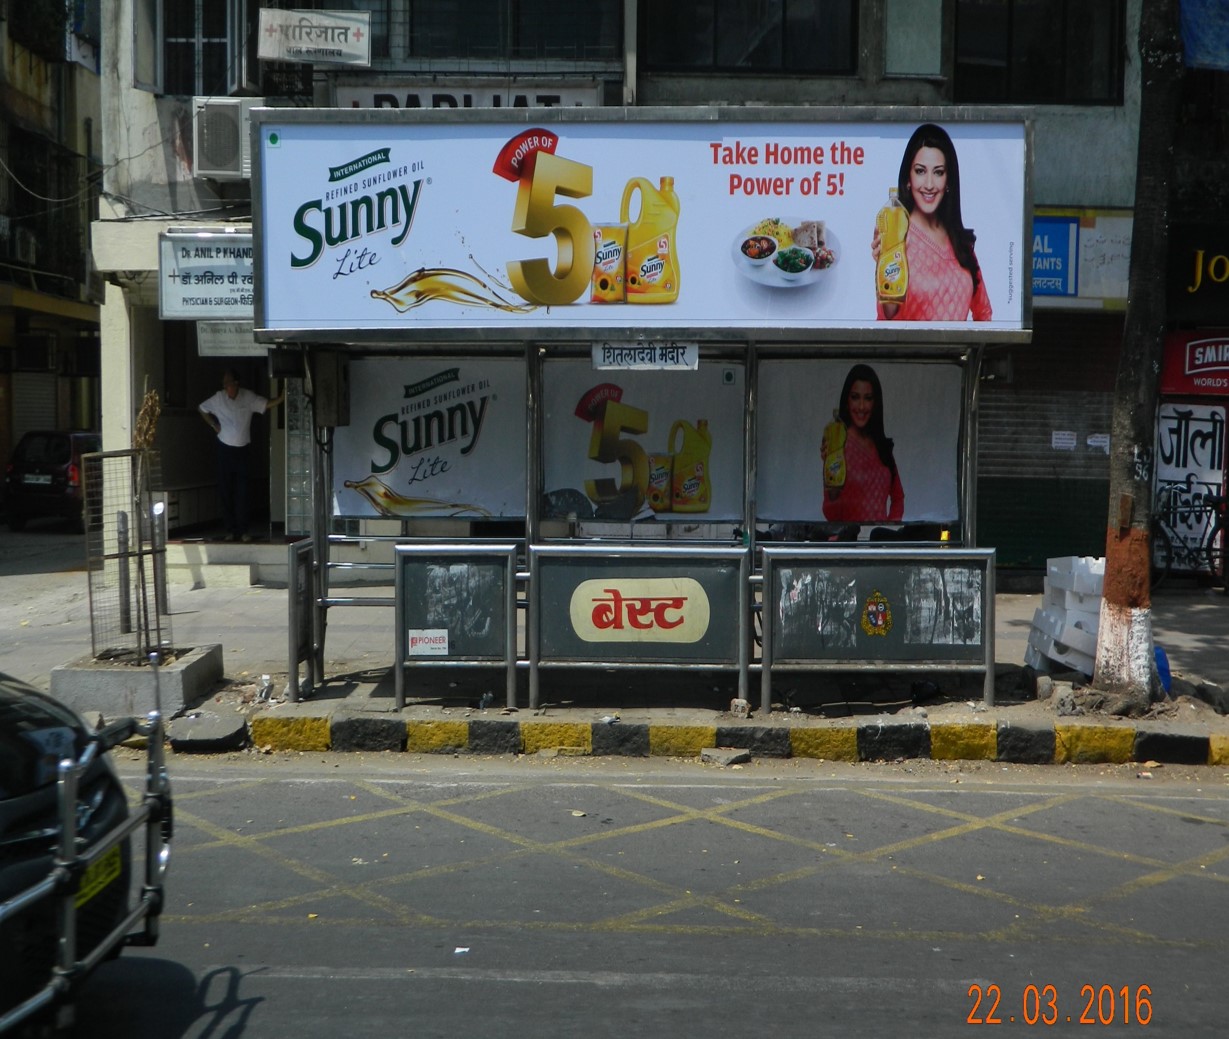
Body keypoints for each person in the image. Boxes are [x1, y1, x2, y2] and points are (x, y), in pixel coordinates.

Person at [871, 123, 992, 322]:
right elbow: (887, 320)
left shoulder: (961, 242)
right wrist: (883, 268)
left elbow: (984, 313)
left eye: (938, 172)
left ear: (948, 181)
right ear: (908, 179)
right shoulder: (898, 234)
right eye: (920, 171)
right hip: (909, 353)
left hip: (956, 354)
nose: (929, 185)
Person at [199, 369, 283, 542]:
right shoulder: (219, 398)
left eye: (229, 384)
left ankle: (243, 530)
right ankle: (230, 530)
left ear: (236, 384)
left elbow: (266, 404)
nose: (227, 388)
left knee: (243, 491)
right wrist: (214, 425)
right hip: (224, 448)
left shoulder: (248, 397)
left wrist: (282, 398)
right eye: (224, 385)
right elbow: (201, 408)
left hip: (243, 449)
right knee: (225, 490)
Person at [821, 364, 904, 523]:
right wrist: (832, 487)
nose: (861, 406)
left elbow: (898, 497)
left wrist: (888, 532)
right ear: (846, 401)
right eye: (855, 397)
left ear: (875, 403)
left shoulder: (882, 446)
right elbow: (830, 514)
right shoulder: (838, 442)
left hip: (878, 544)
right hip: (846, 544)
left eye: (868, 398)